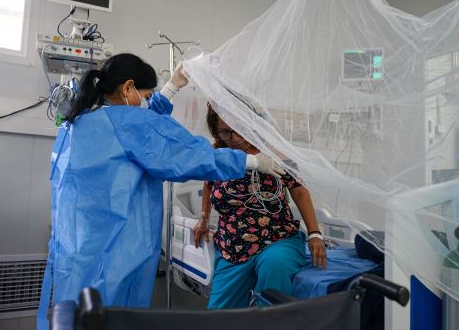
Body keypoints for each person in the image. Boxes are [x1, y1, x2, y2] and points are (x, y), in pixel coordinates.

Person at [38, 53, 285, 321]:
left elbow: (142, 131)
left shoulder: (79, 120)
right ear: (127, 87)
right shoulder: (130, 124)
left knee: (75, 314)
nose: (145, 104)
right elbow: (184, 153)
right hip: (117, 249)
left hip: (79, 244)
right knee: (109, 317)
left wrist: (172, 87)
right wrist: (251, 160)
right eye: (146, 97)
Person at [193, 105, 327, 309]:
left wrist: (314, 234)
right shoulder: (218, 155)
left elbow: (299, 190)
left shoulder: (274, 152)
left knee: (275, 267)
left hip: (277, 238)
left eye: (240, 129)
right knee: (218, 318)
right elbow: (208, 185)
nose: (236, 138)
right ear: (216, 132)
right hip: (233, 247)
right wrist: (203, 220)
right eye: (226, 132)